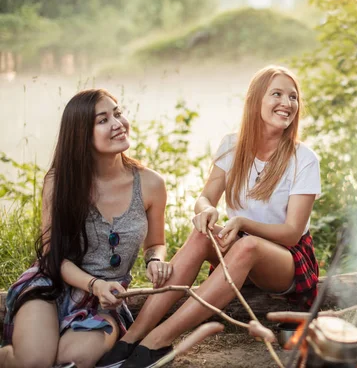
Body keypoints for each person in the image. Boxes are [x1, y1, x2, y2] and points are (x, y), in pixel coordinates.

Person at [98, 65, 321, 368]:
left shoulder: (304, 159)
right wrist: (207, 211)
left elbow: (292, 232)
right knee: (203, 234)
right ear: (255, 100)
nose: (287, 103)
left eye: (293, 97)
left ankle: (158, 342)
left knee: (248, 245)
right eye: (277, 94)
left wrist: (242, 223)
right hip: (241, 250)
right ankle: (131, 338)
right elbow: (204, 198)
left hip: (286, 260)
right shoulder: (232, 145)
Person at [0, 89, 171, 368]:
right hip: (52, 285)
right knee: (33, 361)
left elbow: (156, 243)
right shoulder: (60, 183)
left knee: (72, 359)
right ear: (81, 135)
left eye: (117, 113)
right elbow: (52, 256)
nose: (118, 123)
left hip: (105, 303)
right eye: (102, 120)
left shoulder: (151, 184)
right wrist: (94, 283)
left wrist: (155, 260)